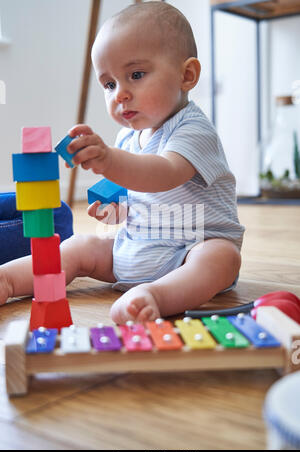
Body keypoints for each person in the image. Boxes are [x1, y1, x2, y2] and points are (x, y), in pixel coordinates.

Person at [0, 1, 244, 325]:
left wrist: (110, 160)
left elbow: (166, 173)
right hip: (136, 248)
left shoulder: (194, 129)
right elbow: (135, 195)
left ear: (187, 75)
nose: (120, 94)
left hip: (188, 252)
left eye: (136, 75)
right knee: (83, 245)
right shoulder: (128, 138)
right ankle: (9, 279)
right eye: (109, 84)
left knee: (222, 256)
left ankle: (157, 296)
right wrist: (114, 209)